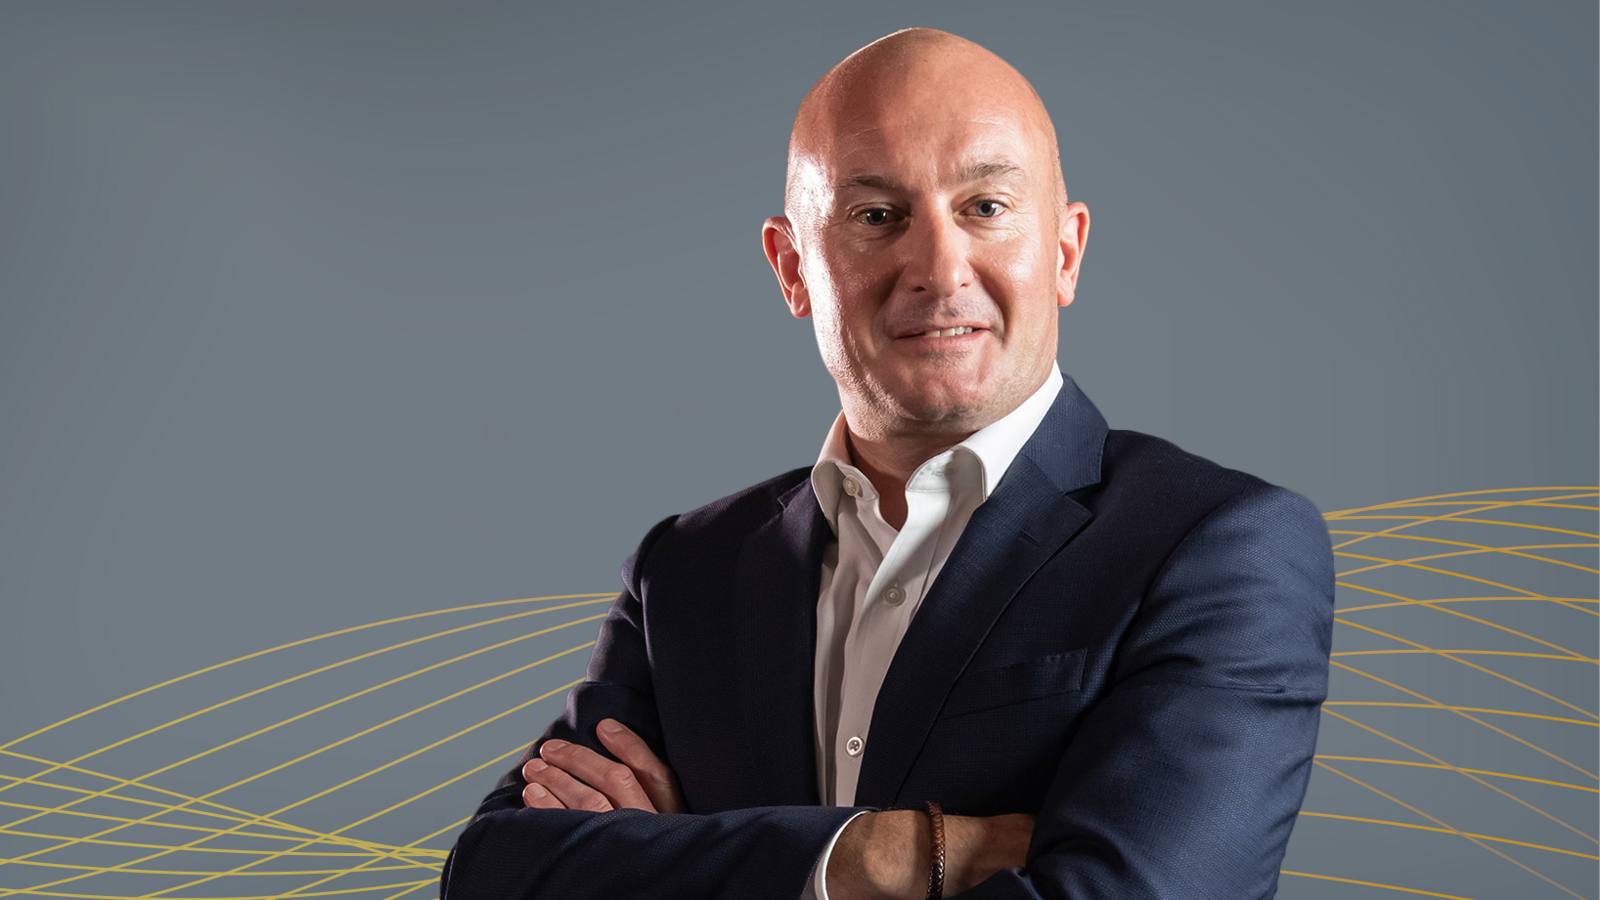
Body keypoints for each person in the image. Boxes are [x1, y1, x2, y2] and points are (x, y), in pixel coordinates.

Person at [441, 27, 1334, 900]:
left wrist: (682, 861)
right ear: (793, 268)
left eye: (985, 207)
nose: (940, 266)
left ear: (1063, 251)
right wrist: (886, 855)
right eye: (876, 216)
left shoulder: (1220, 548)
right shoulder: (686, 572)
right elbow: (492, 874)